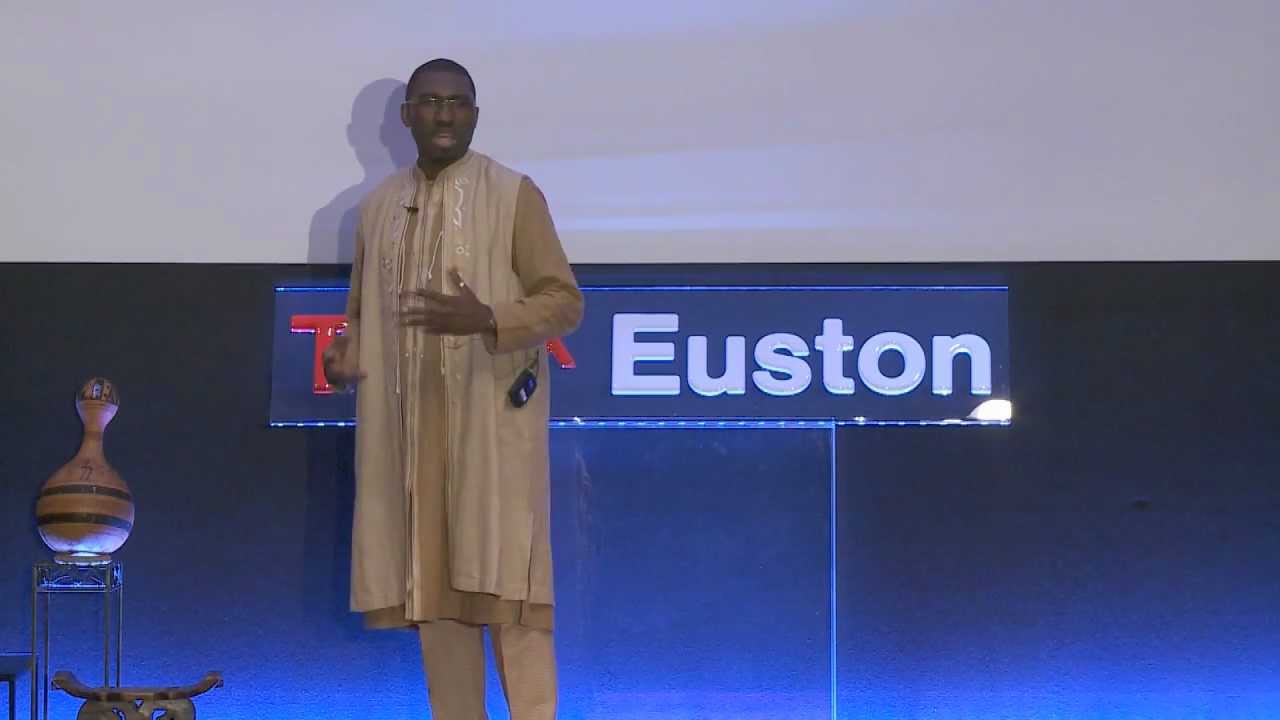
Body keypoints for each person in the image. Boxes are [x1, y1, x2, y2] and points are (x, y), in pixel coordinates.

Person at [323, 57, 583, 720]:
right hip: (408, 446)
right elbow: (357, 318)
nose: (445, 114)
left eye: (458, 102)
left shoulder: (512, 194)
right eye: (430, 102)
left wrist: (490, 317)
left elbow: (564, 302)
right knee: (436, 602)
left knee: (514, 602)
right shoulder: (379, 208)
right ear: (408, 115)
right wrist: (341, 360)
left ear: (474, 113)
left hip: (491, 437)